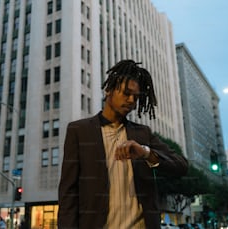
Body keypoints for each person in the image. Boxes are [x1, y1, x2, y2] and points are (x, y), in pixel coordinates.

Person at [58, 59, 189, 229]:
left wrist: (146, 153)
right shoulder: (79, 131)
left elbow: (181, 166)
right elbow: (68, 191)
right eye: (126, 93)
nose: (131, 100)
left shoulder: (143, 134)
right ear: (108, 91)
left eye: (136, 97)